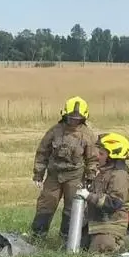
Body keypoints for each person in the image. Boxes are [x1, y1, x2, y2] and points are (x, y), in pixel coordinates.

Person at [30, 96, 99, 242]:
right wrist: (38, 174)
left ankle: (67, 239)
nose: (73, 121)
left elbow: (93, 159)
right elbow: (42, 152)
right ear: (64, 115)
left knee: (72, 208)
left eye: (77, 118)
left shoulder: (87, 135)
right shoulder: (54, 131)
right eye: (71, 117)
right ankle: (38, 236)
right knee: (46, 204)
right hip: (54, 175)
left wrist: (90, 176)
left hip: (75, 177)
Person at [74, 132, 129, 253]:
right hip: (95, 223)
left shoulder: (119, 176)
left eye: (101, 154)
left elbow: (113, 203)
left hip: (111, 224)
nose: (97, 156)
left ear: (112, 157)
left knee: (98, 254)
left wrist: (88, 196)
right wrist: (86, 188)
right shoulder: (103, 172)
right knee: (78, 247)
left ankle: (122, 241)